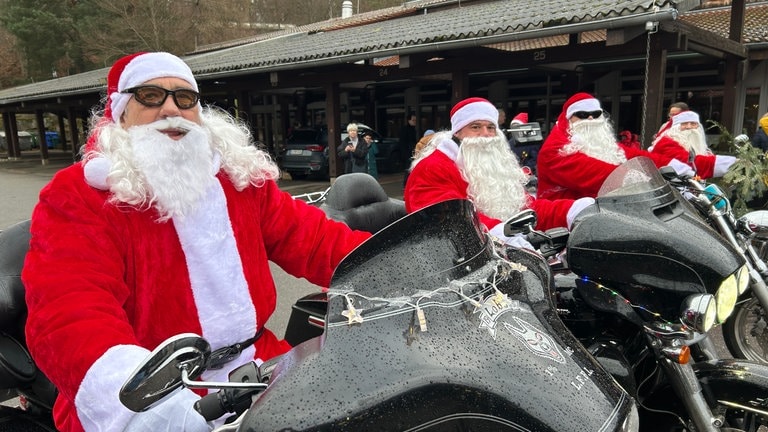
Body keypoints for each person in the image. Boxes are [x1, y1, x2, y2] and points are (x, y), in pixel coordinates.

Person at [21, 52, 371, 432]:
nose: (171, 107)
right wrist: (144, 402)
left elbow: (316, 240)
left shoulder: (239, 181)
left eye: (185, 98)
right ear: (120, 111)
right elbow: (68, 312)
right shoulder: (81, 195)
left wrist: (398, 258)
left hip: (257, 368)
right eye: (150, 95)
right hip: (154, 395)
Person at [405, 97, 593, 245]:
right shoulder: (432, 168)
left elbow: (527, 210)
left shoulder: (495, 167)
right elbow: (448, 220)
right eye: (475, 127)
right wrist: (502, 235)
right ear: (457, 133)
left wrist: (571, 211)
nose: (485, 134)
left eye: (490, 127)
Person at [536, 92, 696, 200]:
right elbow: (595, 173)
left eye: (596, 114)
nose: (590, 119)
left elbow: (633, 155)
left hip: (605, 212)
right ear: (569, 118)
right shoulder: (556, 149)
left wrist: (673, 166)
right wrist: (638, 180)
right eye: (583, 115)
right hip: (566, 228)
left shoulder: (598, 143)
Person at [650, 110, 737, 179]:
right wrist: (734, 163)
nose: (689, 127)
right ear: (675, 128)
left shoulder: (697, 146)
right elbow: (692, 163)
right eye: (684, 124)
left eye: (693, 124)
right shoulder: (666, 142)